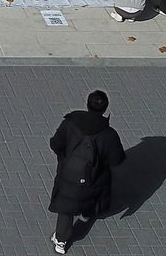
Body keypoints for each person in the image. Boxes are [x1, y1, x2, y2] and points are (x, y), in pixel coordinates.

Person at [48, 90, 126, 254]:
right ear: (105, 109)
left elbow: (56, 144)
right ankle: (86, 214)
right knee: (91, 195)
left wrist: (64, 158)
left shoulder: (70, 123)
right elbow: (116, 160)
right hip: (93, 179)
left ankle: (61, 241)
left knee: (66, 208)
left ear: (87, 104)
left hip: (69, 175)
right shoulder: (109, 134)